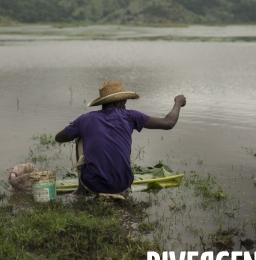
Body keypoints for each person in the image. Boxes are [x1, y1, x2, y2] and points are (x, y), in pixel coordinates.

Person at [54, 80, 186, 196]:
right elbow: (168, 123)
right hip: (122, 185)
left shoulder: (85, 119)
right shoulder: (130, 116)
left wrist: (76, 126)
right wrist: (178, 102)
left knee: (79, 138)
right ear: (117, 102)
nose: (125, 106)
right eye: (124, 102)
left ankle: (81, 190)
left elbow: (59, 138)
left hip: (94, 186)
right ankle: (118, 184)